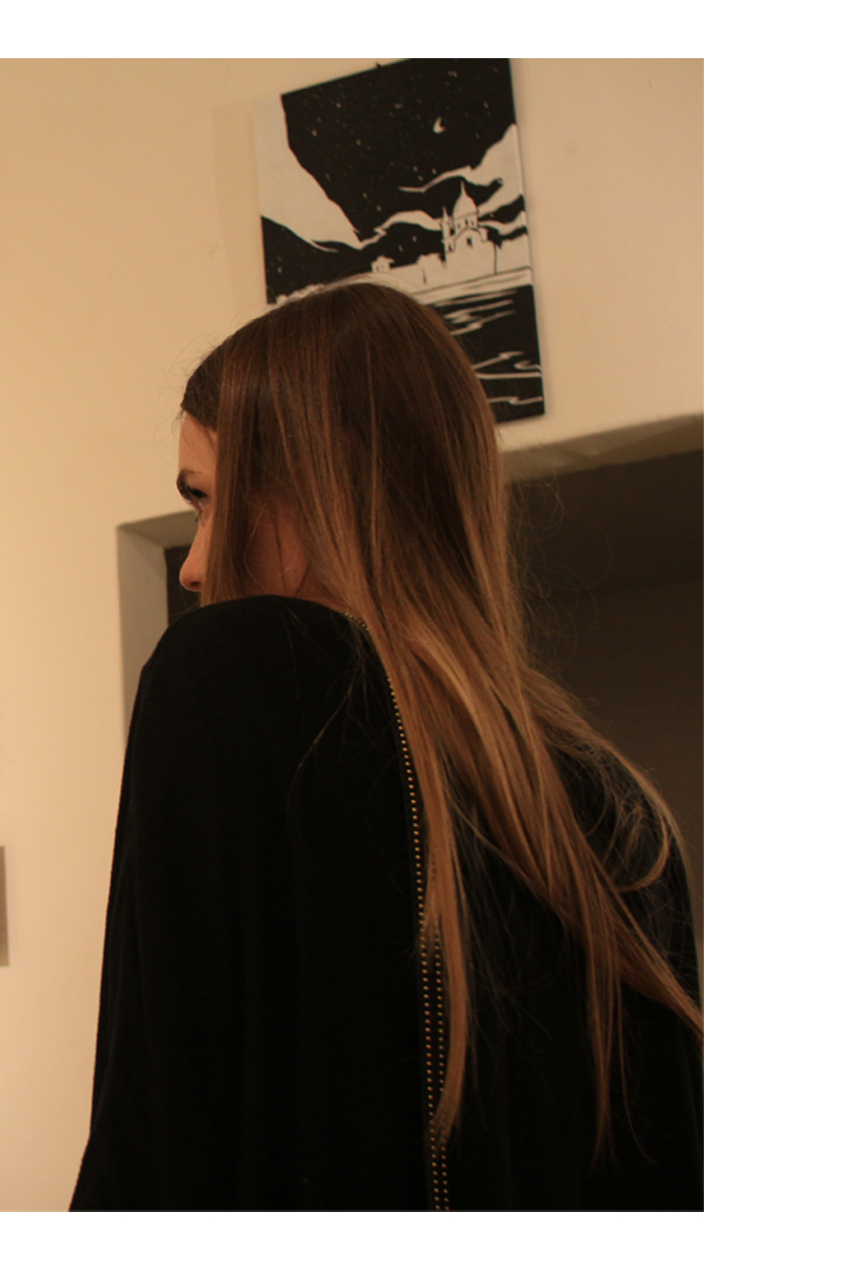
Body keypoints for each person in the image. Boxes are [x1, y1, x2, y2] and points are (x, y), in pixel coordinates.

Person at [71, 281, 702, 1210]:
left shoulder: (232, 672)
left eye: (207, 502)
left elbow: (157, 1134)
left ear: (316, 493)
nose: (195, 565)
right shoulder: (622, 813)